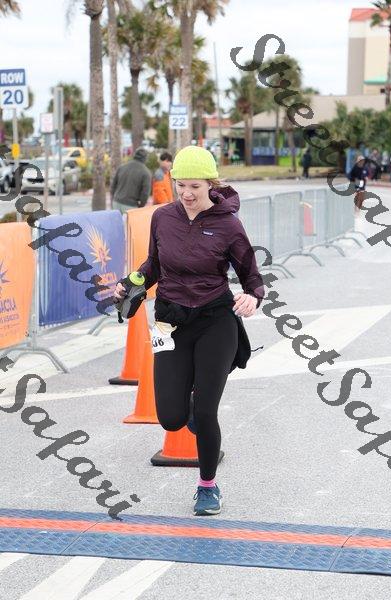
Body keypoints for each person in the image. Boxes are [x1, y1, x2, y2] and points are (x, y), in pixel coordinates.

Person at [113, 146, 264, 516]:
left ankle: (207, 487)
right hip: (170, 321)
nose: (186, 193)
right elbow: (153, 265)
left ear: (211, 184)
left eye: (195, 186)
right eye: (180, 184)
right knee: (171, 418)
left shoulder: (228, 224)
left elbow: (251, 276)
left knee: (207, 411)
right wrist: (130, 283)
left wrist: (253, 297)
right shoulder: (163, 218)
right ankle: (191, 404)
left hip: (215, 321)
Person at [111, 148, 151, 213]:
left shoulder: (122, 167)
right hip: (131, 206)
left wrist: (115, 198)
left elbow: (113, 186)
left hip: (116, 203)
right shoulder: (146, 172)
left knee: (116, 220)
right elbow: (145, 193)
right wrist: (141, 205)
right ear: (145, 158)